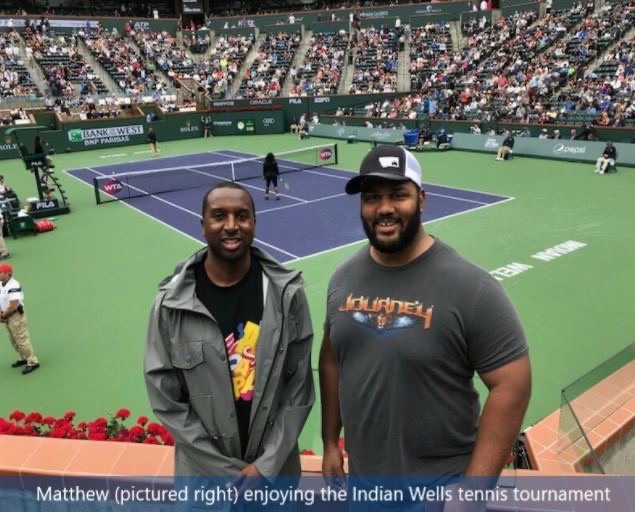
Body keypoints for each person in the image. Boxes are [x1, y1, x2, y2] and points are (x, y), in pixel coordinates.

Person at [319, 146, 530, 492]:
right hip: (362, 483)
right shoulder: (342, 279)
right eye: (372, 197)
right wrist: (330, 441)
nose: (384, 208)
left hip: (440, 491)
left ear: (422, 199)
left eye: (398, 195)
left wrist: (474, 491)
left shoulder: (471, 285)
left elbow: (513, 384)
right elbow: (331, 359)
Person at [145, 182, 314, 477]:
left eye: (242, 216)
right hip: (203, 482)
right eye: (219, 215)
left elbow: (299, 387)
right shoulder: (170, 304)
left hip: (275, 477)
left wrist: (265, 467)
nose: (232, 225)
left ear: (254, 223)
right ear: (203, 225)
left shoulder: (288, 294)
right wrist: (224, 472)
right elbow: (166, 397)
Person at [0, 264, 40, 374]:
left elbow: (13, 305)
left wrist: (3, 316)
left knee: (22, 339)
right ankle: (23, 357)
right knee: (13, 339)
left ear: (8, 274)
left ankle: (32, 361)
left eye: (0, 272)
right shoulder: (1, 284)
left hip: (15, 315)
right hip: (6, 315)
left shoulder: (13, 285)